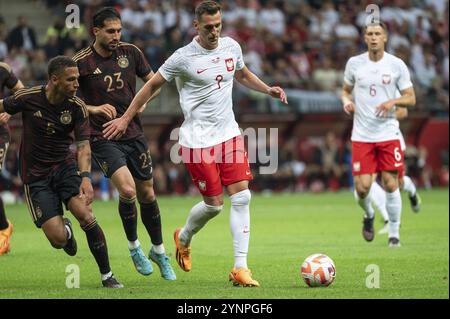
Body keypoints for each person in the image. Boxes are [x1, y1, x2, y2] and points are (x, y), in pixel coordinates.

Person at [102, 0, 288, 287]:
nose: (214, 31)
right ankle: (184, 236)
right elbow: (151, 86)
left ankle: (240, 268)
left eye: (218, 25)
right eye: (209, 27)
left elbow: (241, 73)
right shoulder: (182, 57)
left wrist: (268, 89)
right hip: (196, 141)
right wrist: (127, 117)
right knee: (213, 206)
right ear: (196, 26)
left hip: (229, 134)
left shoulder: (231, 47)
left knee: (242, 197)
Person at [0, 56, 122, 288]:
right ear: (54, 80)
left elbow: (84, 147)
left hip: (64, 168)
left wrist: (85, 178)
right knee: (58, 240)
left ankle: (107, 276)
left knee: (86, 215)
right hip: (36, 177)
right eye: (71, 79)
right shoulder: (28, 98)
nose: (77, 84)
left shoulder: (77, 107)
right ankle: (65, 230)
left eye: (77, 78)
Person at [73, 7, 176, 280]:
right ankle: (134, 248)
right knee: (128, 191)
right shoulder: (81, 62)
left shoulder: (131, 52)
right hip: (104, 136)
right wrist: (94, 109)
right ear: (96, 31)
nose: (116, 35)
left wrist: (141, 105)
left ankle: (159, 250)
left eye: (119, 30)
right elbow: (66, 99)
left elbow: (154, 83)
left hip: (134, 134)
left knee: (148, 195)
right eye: (110, 31)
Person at [341, 21, 416, 247]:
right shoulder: (354, 64)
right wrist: (346, 102)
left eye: (377, 34)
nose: (373, 37)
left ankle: (394, 235)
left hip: (387, 134)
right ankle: (369, 215)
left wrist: (394, 100)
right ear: (365, 38)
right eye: (369, 34)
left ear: (385, 38)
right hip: (362, 135)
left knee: (391, 183)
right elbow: (345, 91)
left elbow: (411, 98)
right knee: (362, 188)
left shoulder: (396, 65)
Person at [370, 107, 422, 235]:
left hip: (391, 137)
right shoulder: (361, 89)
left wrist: (384, 117)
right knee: (367, 180)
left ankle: (410, 188)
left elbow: (403, 111)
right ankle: (389, 220)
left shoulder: (390, 88)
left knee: (394, 183)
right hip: (369, 138)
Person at [0, 61, 24, 256]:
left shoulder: (3, 69)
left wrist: (8, 110)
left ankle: (3, 229)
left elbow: (23, 94)